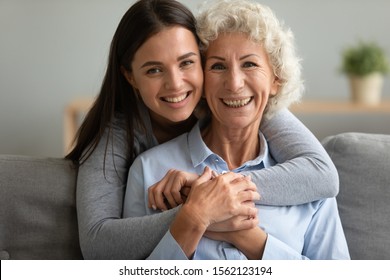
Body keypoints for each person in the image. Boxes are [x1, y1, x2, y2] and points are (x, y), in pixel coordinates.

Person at [66, 0, 339, 260]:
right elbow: (100, 246)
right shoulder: (136, 156)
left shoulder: (267, 122)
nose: (175, 84)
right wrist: (197, 211)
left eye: (186, 62)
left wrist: (225, 203)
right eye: (153, 70)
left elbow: (324, 175)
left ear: (275, 80)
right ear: (130, 76)